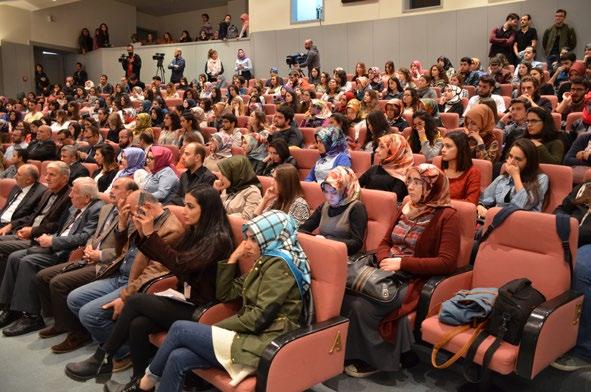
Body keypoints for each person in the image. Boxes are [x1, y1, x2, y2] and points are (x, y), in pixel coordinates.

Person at [120, 209, 310, 391]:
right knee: (178, 357)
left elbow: (260, 317)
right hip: (251, 334)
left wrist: (215, 328)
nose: (247, 245)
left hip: (265, 342)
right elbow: (226, 294)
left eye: (255, 239)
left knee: (180, 328)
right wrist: (233, 259)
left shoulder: (279, 265)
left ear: (272, 238)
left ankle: (145, 384)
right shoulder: (265, 261)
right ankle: (147, 383)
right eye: (247, 238)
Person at [75, 184, 234, 390]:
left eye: (190, 206)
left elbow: (180, 264)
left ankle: (103, 356)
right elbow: (163, 256)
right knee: (138, 324)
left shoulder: (218, 239)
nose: (184, 211)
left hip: (202, 308)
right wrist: (143, 231)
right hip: (183, 297)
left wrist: (151, 235)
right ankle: (138, 381)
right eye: (185, 205)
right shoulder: (195, 231)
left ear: (207, 209)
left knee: (134, 300)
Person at [342, 163, 459, 378]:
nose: (410, 187)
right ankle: (351, 350)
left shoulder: (447, 216)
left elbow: (447, 262)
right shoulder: (407, 205)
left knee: (362, 305)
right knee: (349, 294)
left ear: (432, 187)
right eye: (409, 181)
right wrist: (386, 258)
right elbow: (385, 241)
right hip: (385, 269)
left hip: (415, 279)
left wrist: (402, 264)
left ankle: (377, 359)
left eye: (417, 182)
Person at [64, 190, 184, 381]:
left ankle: (122, 353)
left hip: (136, 283)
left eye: (132, 211)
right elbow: (122, 251)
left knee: (90, 313)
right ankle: (112, 344)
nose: (130, 215)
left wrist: (125, 296)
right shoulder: (145, 219)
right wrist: (122, 224)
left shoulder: (171, 229)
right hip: (121, 273)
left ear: (148, 207)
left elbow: (153, 272)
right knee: (74, 298)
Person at [0, 177, 101, 336]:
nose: (70, 195)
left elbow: (83, 237)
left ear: (87, 197)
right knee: (14, 257)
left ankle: (32, 316)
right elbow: (62, 230)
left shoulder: (95, 209)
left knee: (27, 261)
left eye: (74, 192)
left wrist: (53, 240)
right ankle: (9, 307)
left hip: (68, 251)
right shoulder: (76, 207)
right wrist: (49, 237)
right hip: (54, 245)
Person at [300, 166, 367, 257]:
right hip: (325, 252)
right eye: (326, 192)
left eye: (334, 192)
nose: (328, 197)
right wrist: (315, 240)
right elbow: (303, 229)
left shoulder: (356, 207)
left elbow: (356, 243)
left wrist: (327, 242)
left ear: (346, 190)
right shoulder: (325, 205)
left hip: (347, 257)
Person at [478, 138, 549, 218]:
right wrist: (480, 206)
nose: (511, 162)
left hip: (522, 224)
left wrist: (516, 176)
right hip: (498, 222)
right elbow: (484, 200)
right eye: (510, 156)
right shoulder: (502, 179)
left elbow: (522, 205)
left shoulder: (541, 179)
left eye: (518, 159)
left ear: (529, 162)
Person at [359, 133, 412, 198]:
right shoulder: (374, 168)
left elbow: (392, 202)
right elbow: (356, 187)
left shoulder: (403, 176)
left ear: (393, 151)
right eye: (378, 146)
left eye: (382, 147)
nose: (376, 150)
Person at [214, 155, 262, 220]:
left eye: (224, 175)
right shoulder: (230, 187)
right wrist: (215, 192)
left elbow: (246, 218)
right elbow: (216, 208)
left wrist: (221, 217)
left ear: (235, 174)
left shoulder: (252, 192)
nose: (220, 178)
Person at [0, 164, 46, 231]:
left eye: (18, 174)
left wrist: (11, 225)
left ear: (28, 180)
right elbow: (7, 207)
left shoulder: (41, 193)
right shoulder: (17, 186)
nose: (15, 176)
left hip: (14, 227)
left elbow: (32, 217)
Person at [441, 131, 481, 204]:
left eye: (448, 146)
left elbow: (471, 202)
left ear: (460, 149)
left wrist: (442, 203)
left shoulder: (473, 173)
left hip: (459, 213)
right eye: (443, 146)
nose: (442, 150)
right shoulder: (439, 169)